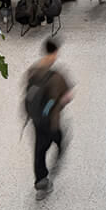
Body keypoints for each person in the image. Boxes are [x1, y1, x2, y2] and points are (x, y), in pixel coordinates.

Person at [25, 39, 73, 200]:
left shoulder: (32, 71)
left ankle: (41, 182)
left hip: (36, 120)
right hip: (51, 120)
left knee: (39, 151)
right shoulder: (57, 76)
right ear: (55, 53)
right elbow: (67, 96)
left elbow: (26, 93)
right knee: (57, 137)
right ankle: (59, 150)